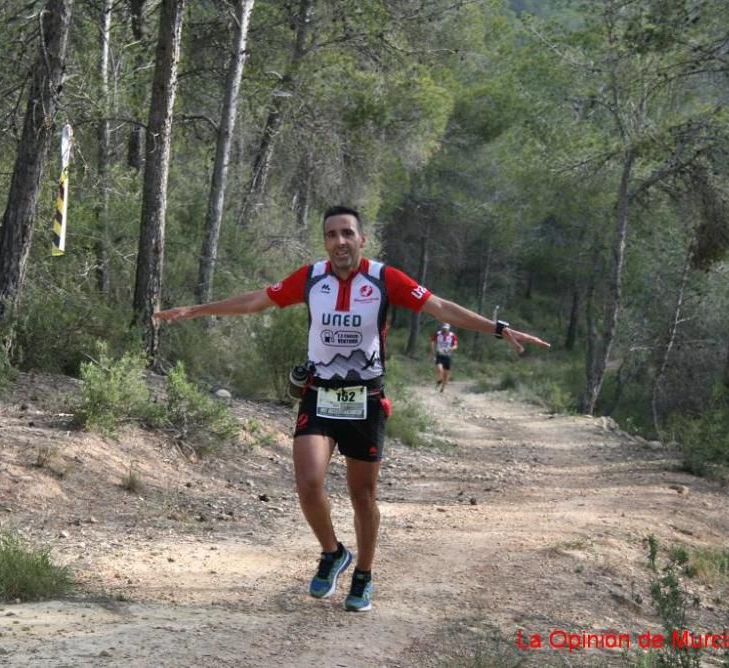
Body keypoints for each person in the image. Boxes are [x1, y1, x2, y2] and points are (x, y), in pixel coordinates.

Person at [154, 205, 549, 612]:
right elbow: (257, 300)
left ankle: (363, 574)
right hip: (320, 394)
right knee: (308, 482)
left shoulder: (384, 279)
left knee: (362, 494)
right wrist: (197, 310)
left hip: (365, 400)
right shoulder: (311, 278)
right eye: (331, 234)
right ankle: (332, 553)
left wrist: (500, 330)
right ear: (325, 241)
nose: (339, 241)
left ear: (362, 239)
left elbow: (441, 308)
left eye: (347, 233)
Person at [430, 322, 458, 392]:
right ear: (442, 328)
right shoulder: (438, 334)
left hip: (447, 356)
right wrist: (433, 351)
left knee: (446, 374)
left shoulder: (452, 336)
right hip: (439, 354)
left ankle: (443, 388)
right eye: (444, 329)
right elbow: (432, 341)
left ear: (449, 329)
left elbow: (455, 346)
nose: (445, 330)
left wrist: (450, 348)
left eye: (446, 329)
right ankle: (440, 379)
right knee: (439, 369)